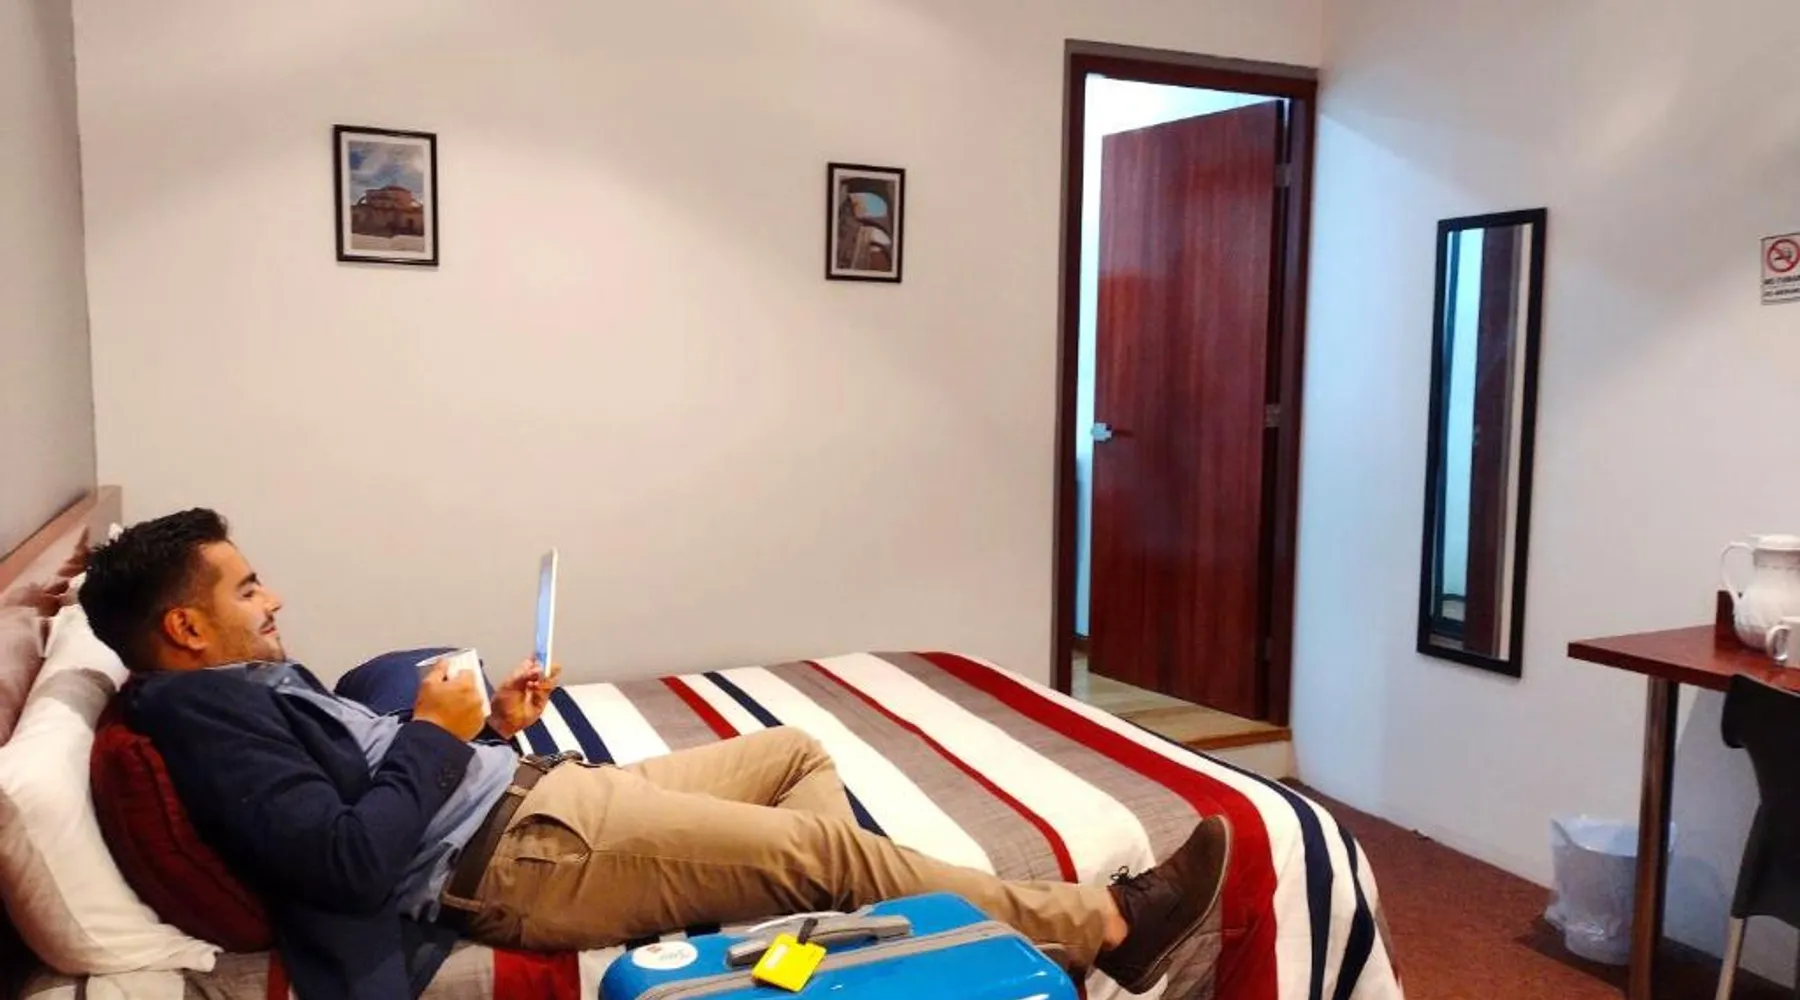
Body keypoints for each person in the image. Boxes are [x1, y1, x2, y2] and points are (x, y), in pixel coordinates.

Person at [81, 508, 1233, 1000]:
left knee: (791, 751)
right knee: (829, 849)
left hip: (534, 794)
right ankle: (1108, 924)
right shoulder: (198, 722)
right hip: (522, 857)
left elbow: (359, 769)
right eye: (246, 588)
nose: (272, 597)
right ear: (184, 626)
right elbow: (346, 859)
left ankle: (808, 955)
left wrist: (488, 724)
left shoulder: (231, 688)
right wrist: (437, 731)